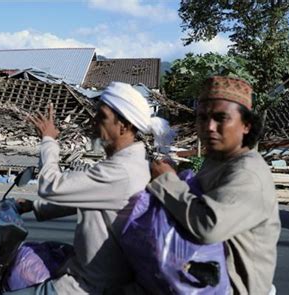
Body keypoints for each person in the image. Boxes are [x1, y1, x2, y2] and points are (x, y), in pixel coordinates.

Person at [12, 81, 172, 295]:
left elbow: (51, 186)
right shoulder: (133, 164)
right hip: (98, 274)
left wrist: (49, 140)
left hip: (86, 286)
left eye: (102, 116)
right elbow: (90, 199)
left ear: (124, 125)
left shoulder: (120, 172)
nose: (93, 121)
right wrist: (35, 207)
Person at [147, 76, 281, 294]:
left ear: (246, 125)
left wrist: (166, 180)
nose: (209, 127)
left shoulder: (247, 173)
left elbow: (209, 225)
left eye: (221, 118)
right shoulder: (217, 161)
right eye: (202, 118)